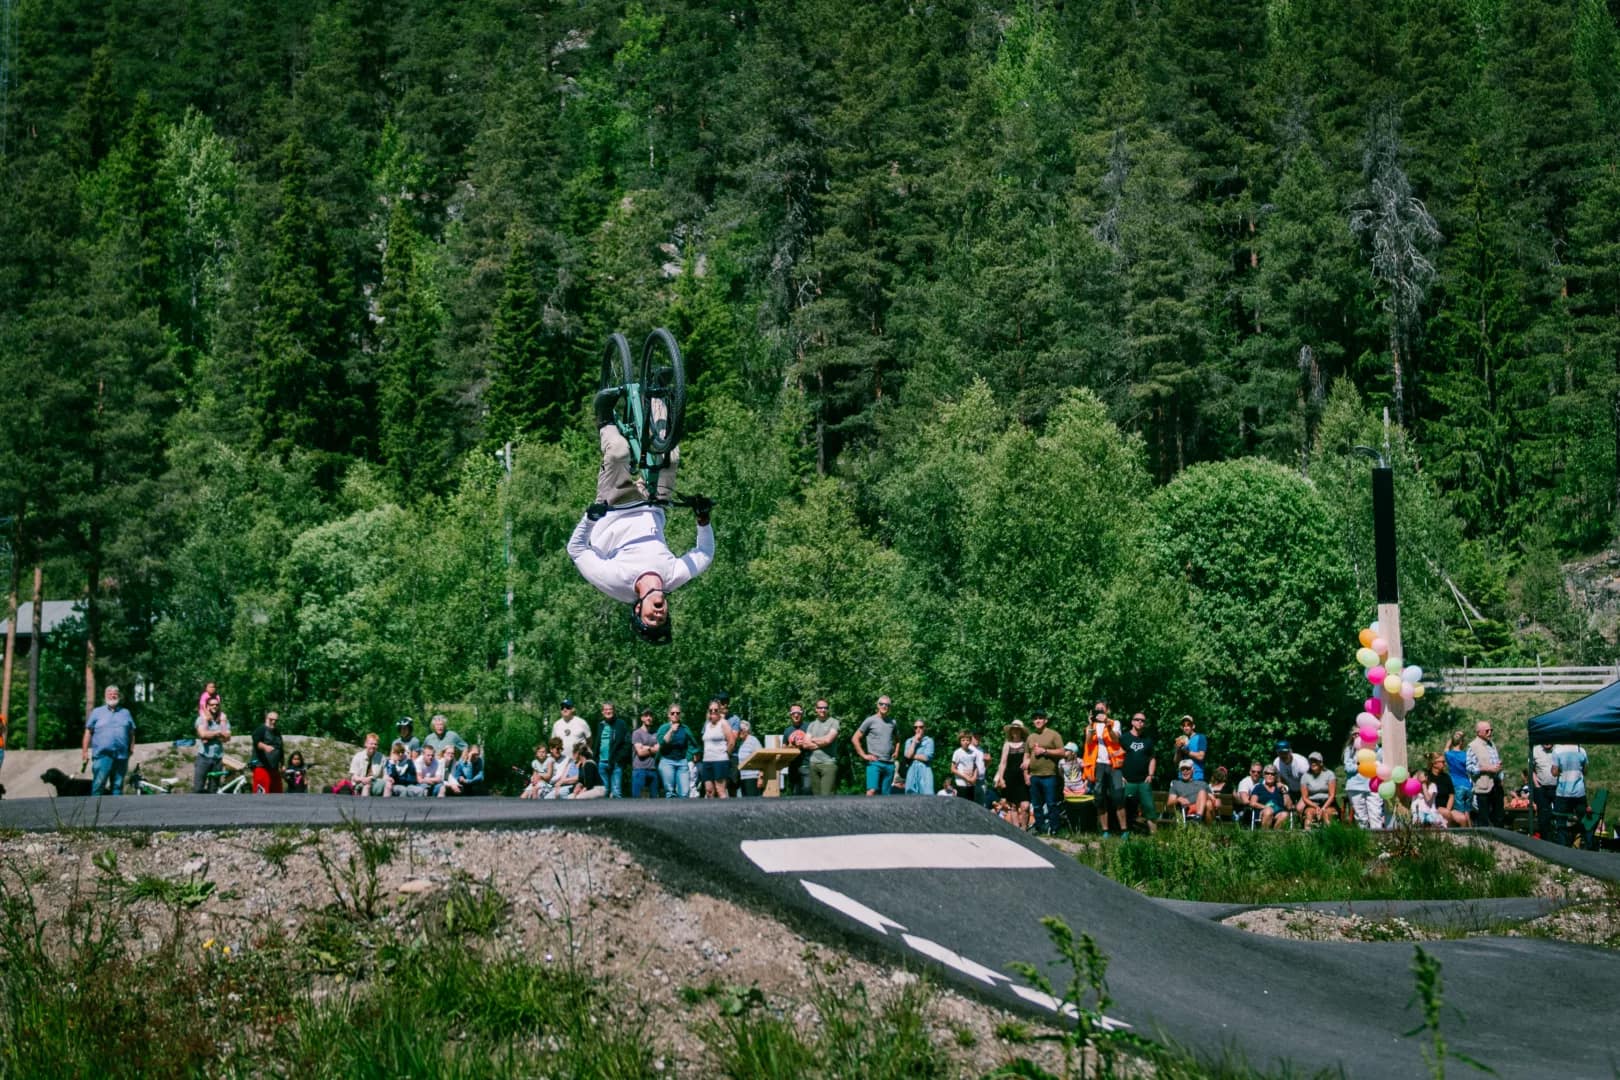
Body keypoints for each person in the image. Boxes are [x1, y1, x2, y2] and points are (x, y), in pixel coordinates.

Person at [568, 389, 714, 644]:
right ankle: (657, 394)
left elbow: (577, 551)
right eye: (662, 618)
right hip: (653, 503)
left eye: (651, 618)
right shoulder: (672, 577)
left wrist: (590, 518)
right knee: (670, 456)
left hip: (615, 506)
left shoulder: (616, 583)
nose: (658, 614)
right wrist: (703, 520)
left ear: (638, 610)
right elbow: (704, 554)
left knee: (619, 452)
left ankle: (604, 418)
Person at [82, 685, 136, 796]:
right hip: (103, 756)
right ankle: (96, 811)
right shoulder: (97, 712)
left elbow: (131, 732)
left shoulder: (126, 713)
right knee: (98, 785)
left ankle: (116, 811)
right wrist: (84, 751)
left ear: (119, 696)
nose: (112, 695)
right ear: (105, 696)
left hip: (121, 756)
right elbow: (88, 732)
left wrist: (131, 748)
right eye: (110, 693)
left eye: (115, 693)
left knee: (117, 786)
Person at [1081, 704, 1126, 836]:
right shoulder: (1092, 726)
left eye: (1102, 708)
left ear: (1108, 710)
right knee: (1099, 797)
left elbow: (1116, 739)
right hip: (1098, 765)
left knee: (1118, 796)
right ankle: (1105, 831)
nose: (1100, 711)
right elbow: (1088, 742)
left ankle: (1124, 830)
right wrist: (1090, 725)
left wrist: (1107, 724)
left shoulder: (1115, 723)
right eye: (1097, 709)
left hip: (1113, 764)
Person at [1025, 709, 1065, 836]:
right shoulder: (1031, 737)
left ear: (1045, 720)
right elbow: (1027, 755)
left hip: (1049, 775)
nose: (1037, 720)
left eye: (1040, 718)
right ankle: (1039, 827)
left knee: (1051, 803)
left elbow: (1062, 752)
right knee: (1036, 805)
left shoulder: (1054, 735)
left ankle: (1054, 829)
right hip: (1034, 775)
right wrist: (1026, 771)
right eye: (1035, 718)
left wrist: (1045, 751)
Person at [853, 695, 899, 796]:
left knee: (886, 794)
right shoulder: (870, 720)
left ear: (890, 707)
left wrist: (896, 751)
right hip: (875, 762)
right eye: (881, 704)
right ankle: (866, 811)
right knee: (871, 791)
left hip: (889, 764)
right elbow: (855, 738)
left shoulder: (893, 722)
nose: (884, 706)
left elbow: (898, 740)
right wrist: (864, 755)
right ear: (877, 706)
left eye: (887, 705)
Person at [1120, 713, 1156, 834]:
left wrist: (1151, 774)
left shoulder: (1148, 740)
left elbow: (1152, 758)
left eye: (1143, 720)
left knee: (1149, 807)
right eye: (1137, 720)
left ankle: (1154, 836)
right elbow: (1116, 758)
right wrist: (1119, 775)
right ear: (1132, 722)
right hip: (1127, 780)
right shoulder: (1124, 738)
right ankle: (1123, 832)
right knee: (1122, 806)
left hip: (1143, 781)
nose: (1140, 722)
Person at [994, 720, 1032, 830]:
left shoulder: (1026, 744)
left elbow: (1030, 759)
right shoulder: (1007, 745)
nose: (1015, 731)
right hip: (1009, 777)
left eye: (1017, 729)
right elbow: (1003, 762)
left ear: (1021, 731)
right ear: (1010, 732)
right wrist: (1001, 778)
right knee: (1013, 806)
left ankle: (1024, 829)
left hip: (1022, 778)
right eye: (1013, 729)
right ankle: (1016, 830)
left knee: (1025, 806)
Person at [1467, 721, 1505, 828]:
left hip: (1496, 785)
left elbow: (1495, 761)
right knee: (1484, 817)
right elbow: (1469, 767)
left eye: (1491, 730)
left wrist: (1500, 772)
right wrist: (1486, 769)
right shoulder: (1473, 746)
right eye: (1487, 731)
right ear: (1479, 732)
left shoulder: (1491, 744)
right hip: (1483, 786)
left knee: (1499, 816)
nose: (1490, 733)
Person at [1552, 743, 1591, 847]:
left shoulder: (1557, 751)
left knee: (1561, 822)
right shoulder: (1581, 750)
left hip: (1563, 793)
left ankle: (1562, 847)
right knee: (1583, 820)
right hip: (1579, 793)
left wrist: (1558, 770)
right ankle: (1588, 845)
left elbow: (1554, 772)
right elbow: (1585, 771)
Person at [1342, 735, 1383, 831]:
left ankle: (1379, 842)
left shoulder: (1374, 748)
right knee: (1361, 818)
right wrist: (1362, 765)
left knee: (1376, 815)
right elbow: (1348, 768)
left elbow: (1381, 761)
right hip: (1355, 787)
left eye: (1359, 733)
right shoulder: (1350, 749)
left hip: (1373, 786)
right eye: (1354, 734)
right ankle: (1365, 842)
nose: (1357, 736)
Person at [699, 699, 736, 799]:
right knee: (709, 791)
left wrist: (726, 754)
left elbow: (731, 742)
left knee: (720, 791)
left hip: (720, 760)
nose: (713, 712)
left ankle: (725, 813)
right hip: (707, 761)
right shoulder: (707, 725)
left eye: (716, 710)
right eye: (711, 710)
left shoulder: (723, 723)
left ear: (719, 711)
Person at [193, 696, 231, 793]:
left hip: (217, 758)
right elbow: (202, 734)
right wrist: (218, 733)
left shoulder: (223, 719)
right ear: (207, 706)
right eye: (212, 704)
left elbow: (227, 738)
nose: (215, 706)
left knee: (213, 789)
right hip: (204, 757)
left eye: (217, 705)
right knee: (198, 788)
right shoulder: (201, 719)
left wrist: (222, 723)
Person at [805, 699, 840, 796]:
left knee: (827, 796)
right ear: (816, 709)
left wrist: (813, 739)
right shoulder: (812, 725)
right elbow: (805, 743)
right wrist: (822, 741)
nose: (823, 710)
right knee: (816, 797)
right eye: (820, 707)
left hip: (828, 764)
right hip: (813, 764)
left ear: (828, 709)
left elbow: (828, 740)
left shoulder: (834, 722)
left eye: (825, 708)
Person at [658, 705, 693, 799]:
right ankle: (670, 812)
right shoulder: (664, 728)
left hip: (682, 761)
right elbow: (662, 743)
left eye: (678, 713)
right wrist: (671, 730)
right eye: (672, 713)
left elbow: (691, 744)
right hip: (667, 761)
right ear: (668, 715)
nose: (675, 715)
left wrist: (688, 757)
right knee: (670, 792)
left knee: (684, 793)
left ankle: (683, 812)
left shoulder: (685, 728)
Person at [1427, 751, 1469, 827]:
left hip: (1446, 808)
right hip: (1434, 807)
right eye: (1442, 762)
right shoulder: (1428, 777)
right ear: (1434, 763)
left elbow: (1451, 795)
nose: (1445, 764)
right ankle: (1448, 835)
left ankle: (1463, 837)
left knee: (1462, 818)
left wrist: (1448, 809)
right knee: (1446, 813)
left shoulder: (1446, 777)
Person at [1298, 752, 1337, 828]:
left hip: (1327, 802)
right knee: (1309, 814)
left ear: (1321, 762)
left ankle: (1329, 836)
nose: (1313, 763)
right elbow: (1305, 797)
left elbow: (1332, 795)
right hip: (1312, 803)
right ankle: (1307, 836)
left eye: (1315, 761)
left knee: (1326, 815)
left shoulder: (1329, 774)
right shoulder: (1305, 777)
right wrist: (1316, 807)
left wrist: (1323, 808)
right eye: (1311, 761)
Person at [250, 711, 285, 794]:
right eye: (271, 720)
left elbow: (280, 749)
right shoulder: (261, 729)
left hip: (274, 768)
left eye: (276, 720)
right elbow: (256, 742)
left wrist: (282, 764)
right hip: (261, 767)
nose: (273, 722)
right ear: (266, 719)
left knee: (277, 793)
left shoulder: (277, 732)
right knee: (262, 793)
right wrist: (265, 747)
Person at [631, 708, 661, 798]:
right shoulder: (637, 733)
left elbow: (659, 750)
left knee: (654, 799)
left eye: (650, 716)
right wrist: (652, 749)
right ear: (642, 718)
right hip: (639, 769)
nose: (649, 718)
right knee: (637, 799)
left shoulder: (656, 733)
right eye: (646, 716)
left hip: (653, 769)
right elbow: (640, 753)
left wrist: (646, 748)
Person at [1531, 741, 1558, 840]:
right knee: (1543, 817)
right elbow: (1531, 769)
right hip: (1542, 788)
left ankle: (1558, 841)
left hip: (1557, 788)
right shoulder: (1535, 750)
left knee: (1559, 815)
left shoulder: (1559, 749)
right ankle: (1545, 841)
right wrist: (1536, 784)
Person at [1444, 730, 1474, 819]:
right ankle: (1471, 830)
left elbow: (1446, 748)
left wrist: (1452, 739)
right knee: (1467, 812)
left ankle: (1463, 831)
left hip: (1456, 785)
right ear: (1461, 743)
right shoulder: (1466, 755)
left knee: (1459, 813)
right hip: (1467, 785)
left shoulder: (1449, 754)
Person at [900, 720, 935, 795]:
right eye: (915, 727)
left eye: (921, 727)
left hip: (925, 770)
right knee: (910, 795)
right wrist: (914, 742)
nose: (918, 729)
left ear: (924, 728)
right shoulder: (909, 741)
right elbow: (907, 756)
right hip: (912, 770)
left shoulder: (929, 741)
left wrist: (912, 755)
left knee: (927, 795)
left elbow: (926, 758)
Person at [782, 705, 810, 796]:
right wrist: (791, 746)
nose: (796, 715)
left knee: (807, 790)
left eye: (798, 713)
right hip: (793, 766)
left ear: (802, 714)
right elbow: (783, 748)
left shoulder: (809, 727)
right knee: (794, 794)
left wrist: (803, 744)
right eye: (794, 713)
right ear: (790, 715)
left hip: (807, 764)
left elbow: (815, 743)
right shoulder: (787, 731)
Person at [1174, 716, 1208, 780]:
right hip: (1182, 777)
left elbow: (1201, 756)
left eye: (1188, 725)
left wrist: (1186, 751)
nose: (1186, 728)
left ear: (1193, 726)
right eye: (1184, 725)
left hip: (1196, 777)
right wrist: (1178, 749)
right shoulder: (1180, 739)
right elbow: (1176, 761)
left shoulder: (1200, 737)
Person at [736, 721, 764, 796]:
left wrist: (761, 777)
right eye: (739, 730)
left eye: (741, 730)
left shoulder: (753, 740)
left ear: (747, 730)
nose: (739, 732)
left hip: (753, 777)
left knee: (753, 802)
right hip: (743, 778)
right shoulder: (741, 743)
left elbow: (762, 758)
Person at [951, 731, 980, 800]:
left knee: (970, 805)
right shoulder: (957, 752)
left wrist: (974, 777)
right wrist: (966, 777)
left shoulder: (973, 753)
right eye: (963, 740)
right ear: (960, 741)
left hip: (971, 784)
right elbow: (953, 769)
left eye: (967, 740)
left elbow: (975, 767)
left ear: (970, 741)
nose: (965, 742)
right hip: (961, 784)